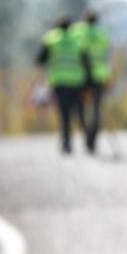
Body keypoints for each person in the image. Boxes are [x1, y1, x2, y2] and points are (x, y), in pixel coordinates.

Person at [35, 16, 90, 155]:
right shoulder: (77, 40)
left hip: (59, 81)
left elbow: (40, 59)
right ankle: (88, 138)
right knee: (79, 111)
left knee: (64, 112)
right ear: (70, 27)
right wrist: (89, 81)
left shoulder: (51, 39)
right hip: (77, 81)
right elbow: (86, 61)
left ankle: (66, 142)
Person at [69, 10, 111, 155]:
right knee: (96, 109)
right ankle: (92, 138)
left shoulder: (76, 32)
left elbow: (76, 52)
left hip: (81, 77)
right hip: (99, 77)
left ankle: (86, 132)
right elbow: (106, 56)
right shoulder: (102, 35)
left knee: (80, 108)